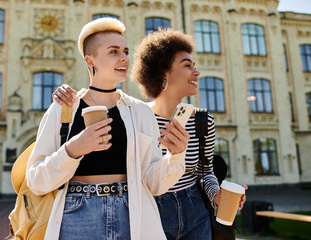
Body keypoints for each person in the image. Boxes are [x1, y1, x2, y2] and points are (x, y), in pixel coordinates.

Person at [54, 28, 247, 240]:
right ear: (164, 73)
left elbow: (204, 171)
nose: (197, 72)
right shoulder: (136, 116)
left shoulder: (202, 121)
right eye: (187, 66)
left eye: (195, 66)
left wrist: (216, 196)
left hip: (195, 210)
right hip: (151, 209)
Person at [26, 18, 190, 240]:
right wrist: (73, 149)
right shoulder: (63, 109)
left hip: (131, 216)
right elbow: (36, 181)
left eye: (125, 51)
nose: (124, 58)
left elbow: (152, 184)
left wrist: (175, 156)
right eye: (113, 51)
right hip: (76, 215)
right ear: (90, 60)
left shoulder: (140, 112)